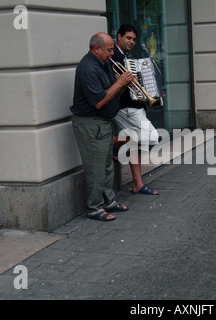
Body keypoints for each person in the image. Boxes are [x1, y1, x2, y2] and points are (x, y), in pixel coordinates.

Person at [70, 32, 133, 222]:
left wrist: (124, 84)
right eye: (109, 49)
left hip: (103, 123)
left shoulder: (104, 64)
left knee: (106, 166)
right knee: (95, 168)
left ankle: (109, 201)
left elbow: (111, 91)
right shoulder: (88, 68)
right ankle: (94, 208)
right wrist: (120, 82)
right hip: (91, 123)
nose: (112, 53)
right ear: (96, 49)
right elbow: (98, 101)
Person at [112, 24, 162, 195]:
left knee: (136, 145)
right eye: (128, 38)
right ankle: (113, 143)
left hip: (135, 107)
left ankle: (138, 184)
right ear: (119, 36)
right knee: (152, 137)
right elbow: (114, 86)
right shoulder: (114, 57)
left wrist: (154, 92)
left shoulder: (128, 57)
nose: (132, 41)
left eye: (133, 39)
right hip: (125, 108)